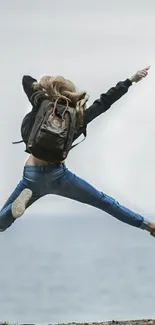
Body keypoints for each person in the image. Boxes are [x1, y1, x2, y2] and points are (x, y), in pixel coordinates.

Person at [1, 66, 155, 238]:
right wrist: (131, 80)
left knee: (2, 221)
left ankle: (7, 217)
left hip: (32, 176)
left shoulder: (41, 105)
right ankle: (148, 226)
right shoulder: (78, 117)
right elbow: (105, 102)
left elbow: (26, 80)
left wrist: (47, 91)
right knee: (103, 201)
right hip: (58, 176)